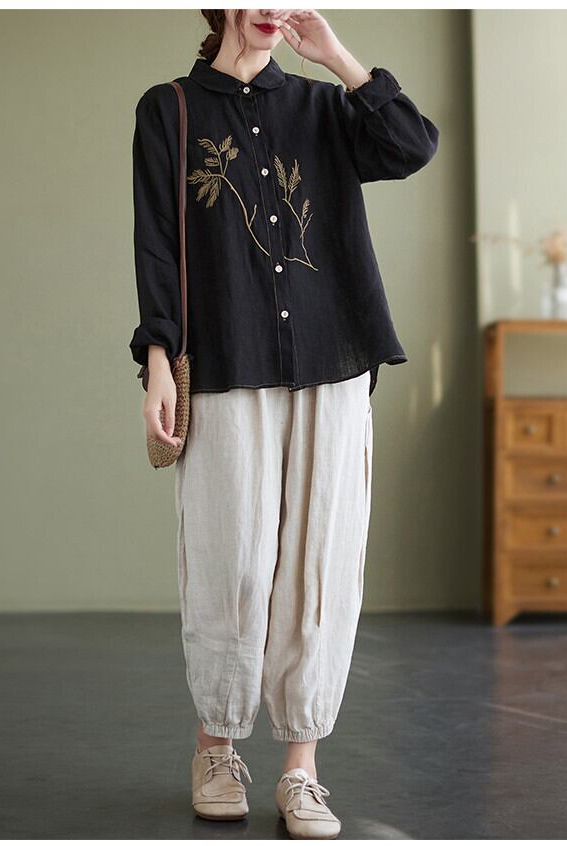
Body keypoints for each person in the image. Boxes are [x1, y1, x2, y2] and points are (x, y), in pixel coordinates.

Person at [128, 9, 438, 839]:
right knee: (228, 558)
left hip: (335, 361)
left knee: (319, 567)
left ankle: (302, 770)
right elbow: (157, 243)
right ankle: (216, 749)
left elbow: (412, 146)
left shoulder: (326, 106)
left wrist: (337, 56)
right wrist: (156, 359)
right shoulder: (169, 109)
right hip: (226, 357)